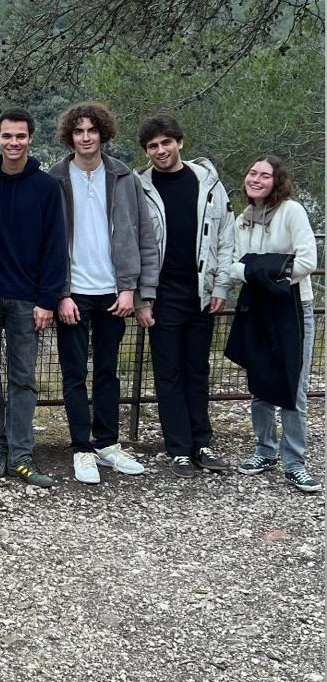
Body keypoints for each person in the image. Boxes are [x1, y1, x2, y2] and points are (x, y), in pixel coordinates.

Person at [49, 103, 159, 484]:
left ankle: (108, 444)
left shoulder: (124, 177)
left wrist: (133, 291)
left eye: (91, 130)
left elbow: (144, 237)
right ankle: (81, 448)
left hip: (114, 292)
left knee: (108, 371)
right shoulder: (56, 178)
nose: (85, 137)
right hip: (73, 293)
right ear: (70, 136)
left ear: (103, 133)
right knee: (74, 373)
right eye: (78, 131)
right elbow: (47, 242)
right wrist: (60, 294)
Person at [136, 115, 234, 477]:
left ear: (180, 142)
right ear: (146, 151)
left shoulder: (208, 182)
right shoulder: (140, 187)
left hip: (201, 291)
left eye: (166, 142)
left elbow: (225, 236)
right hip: (162, 292)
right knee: (168, 372)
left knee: (197, 369)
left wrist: (221, 285)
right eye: (153, 146)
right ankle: (178, 448)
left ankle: (202, 443)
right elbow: (133, 241)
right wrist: (142, 298)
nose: (160, 150)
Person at [0, 107, 66, 488]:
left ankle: (22, 453)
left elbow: (55, 246)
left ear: (30, 138)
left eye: (20, 136)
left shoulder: (46, 187)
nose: (13, 143)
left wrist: (48, 299)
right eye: (7, 136)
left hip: (28, 299)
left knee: (24, 378)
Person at [230, 155, 321, 492]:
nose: (256, 179)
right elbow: (234, 266)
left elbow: (307, 260)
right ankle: (265, 450)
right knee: (260, 382)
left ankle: (294, 461)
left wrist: (262, 271)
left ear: (277, 181)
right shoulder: (243, 220)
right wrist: (270, 268)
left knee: (293, 385)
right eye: (252, 173)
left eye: (264, 175)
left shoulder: (291, 212)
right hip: (258, 306)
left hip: (292, 305)